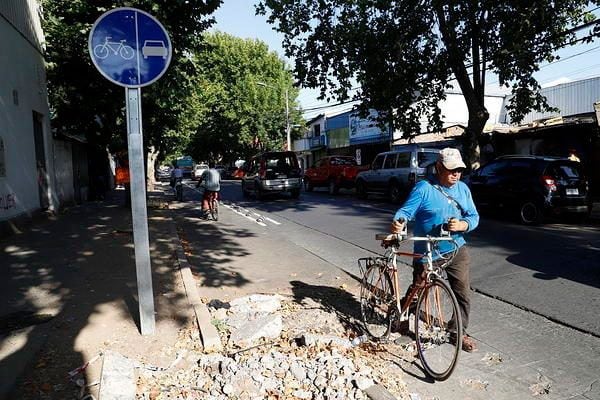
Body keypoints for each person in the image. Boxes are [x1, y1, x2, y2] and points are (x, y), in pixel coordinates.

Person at [390, 147, 480, 352]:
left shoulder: (463, 189)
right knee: (418, 290)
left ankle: (457, 331)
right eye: (451, 169)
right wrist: (398, 223)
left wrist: (463, 225)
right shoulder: (424, 188)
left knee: (463, 295)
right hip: (428, 251)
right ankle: (401, 314)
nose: (456, 174)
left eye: (459, 169)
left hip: (457, 248)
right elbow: (404, 212)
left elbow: (474, 217)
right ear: (438, 167)